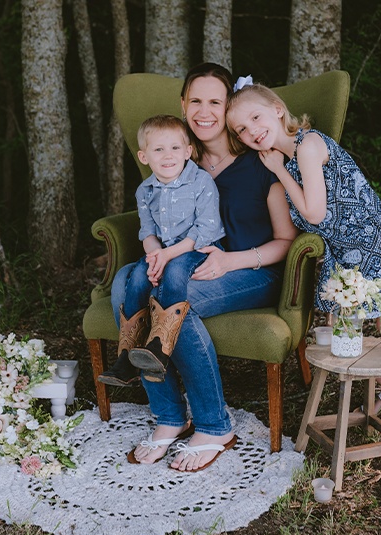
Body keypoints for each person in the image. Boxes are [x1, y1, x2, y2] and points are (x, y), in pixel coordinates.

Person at [110, 63, 299, 472]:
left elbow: (287, 241)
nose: (204, 111)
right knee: (125, 282)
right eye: (195, 100)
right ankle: (170, 415)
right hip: (190, 264)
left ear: (229, 106)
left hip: (253, 270)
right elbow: (155, 219)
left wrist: (232, 259)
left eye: (215, 101)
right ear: (183, 104)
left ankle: (214, 425)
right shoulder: (177, 158)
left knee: (176, 299)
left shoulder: (261, 161)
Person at [226, 80, 381, 431]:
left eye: (256, 117)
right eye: (241, 129)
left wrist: (276, 172)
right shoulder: (287, 162)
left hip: (370, 242)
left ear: (276, 109)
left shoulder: (307, 145)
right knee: (351, 333)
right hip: (344, 253)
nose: (251, 131)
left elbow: (315, 213)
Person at [98, 114, 224, 387]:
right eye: (158, 149)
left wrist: (167, 256)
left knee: (176, 271)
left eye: (175, 148)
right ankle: (125, 358)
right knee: (138, 277)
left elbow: (204, 230)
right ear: (144, 157)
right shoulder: (145, 190)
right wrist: (155, 256)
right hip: (163, 251)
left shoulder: (201, 182)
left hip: (197, 249)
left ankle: (160, 348)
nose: (168, 156)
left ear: (188, 151)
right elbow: (148, 233)